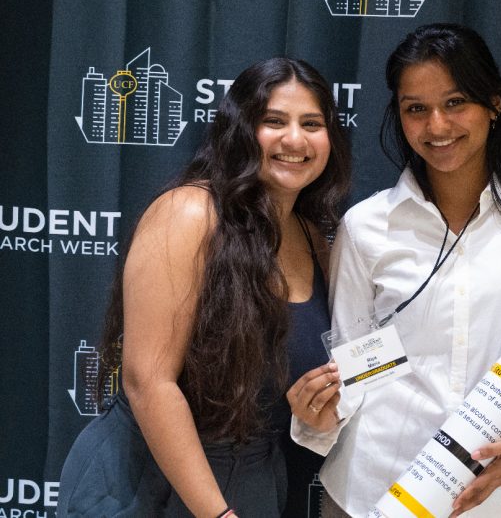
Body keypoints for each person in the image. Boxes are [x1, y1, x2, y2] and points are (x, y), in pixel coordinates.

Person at [288, 23, 501, 518]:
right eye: (416, 108)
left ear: (493, 105)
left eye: (455, 102)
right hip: (376, 493)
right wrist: (320, 415)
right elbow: (352, 368)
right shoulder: (366, 227)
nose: (436, 126)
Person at [57, 57, 351, 518]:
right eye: (273, 121)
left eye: (311, 123)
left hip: (256, 478)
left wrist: (312, 416)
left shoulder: (315, 238)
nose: (294, 139)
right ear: (240, 130)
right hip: (149, 479)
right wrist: (216, 513)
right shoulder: (190, 213)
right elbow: (148, 381)